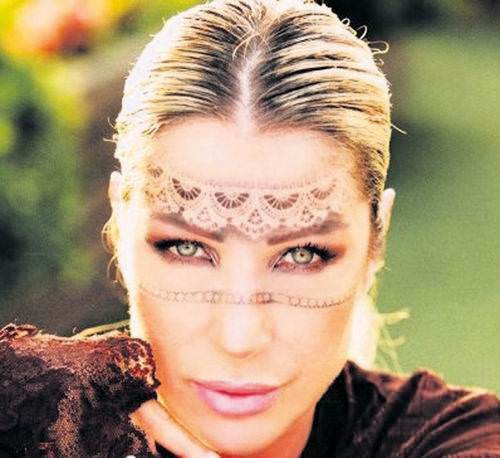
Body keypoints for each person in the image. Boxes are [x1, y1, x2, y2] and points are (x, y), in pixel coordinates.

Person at [1, 0, 499, 457]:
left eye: (302, 254)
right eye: (186, 247)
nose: (239, 338)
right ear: (119, 227)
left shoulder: (461, 439)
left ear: (375, 240)